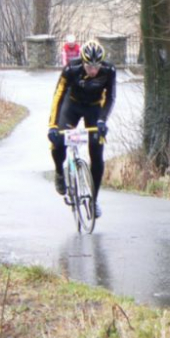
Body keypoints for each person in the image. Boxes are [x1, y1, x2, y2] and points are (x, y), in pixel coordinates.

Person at [47, 40, 116, 218]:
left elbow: (110, 98)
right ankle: (59, 172)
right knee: (58, 143)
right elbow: (58, 96)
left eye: (96, 66)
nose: (93, 70)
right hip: (73, 106)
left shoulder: (109, 71)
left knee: (97, 154)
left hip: (94, 108)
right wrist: (53, 125)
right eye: (89, 66)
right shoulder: (71, 69)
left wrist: (102, 121)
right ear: (82, 62)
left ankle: (93, 200)